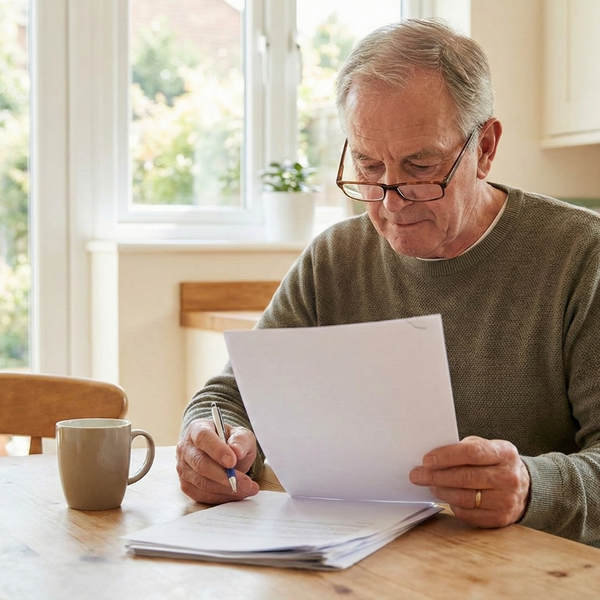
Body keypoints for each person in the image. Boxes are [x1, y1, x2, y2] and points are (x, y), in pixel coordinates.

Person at [176, 19, 600, 547]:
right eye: (368, 165)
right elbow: (231, 395)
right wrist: (209, 445)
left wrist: (532, 488)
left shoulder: (582, 257)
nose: (390, 199)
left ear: (485, 148)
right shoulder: (334, 258)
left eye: (420, 166)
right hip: (357, 564)